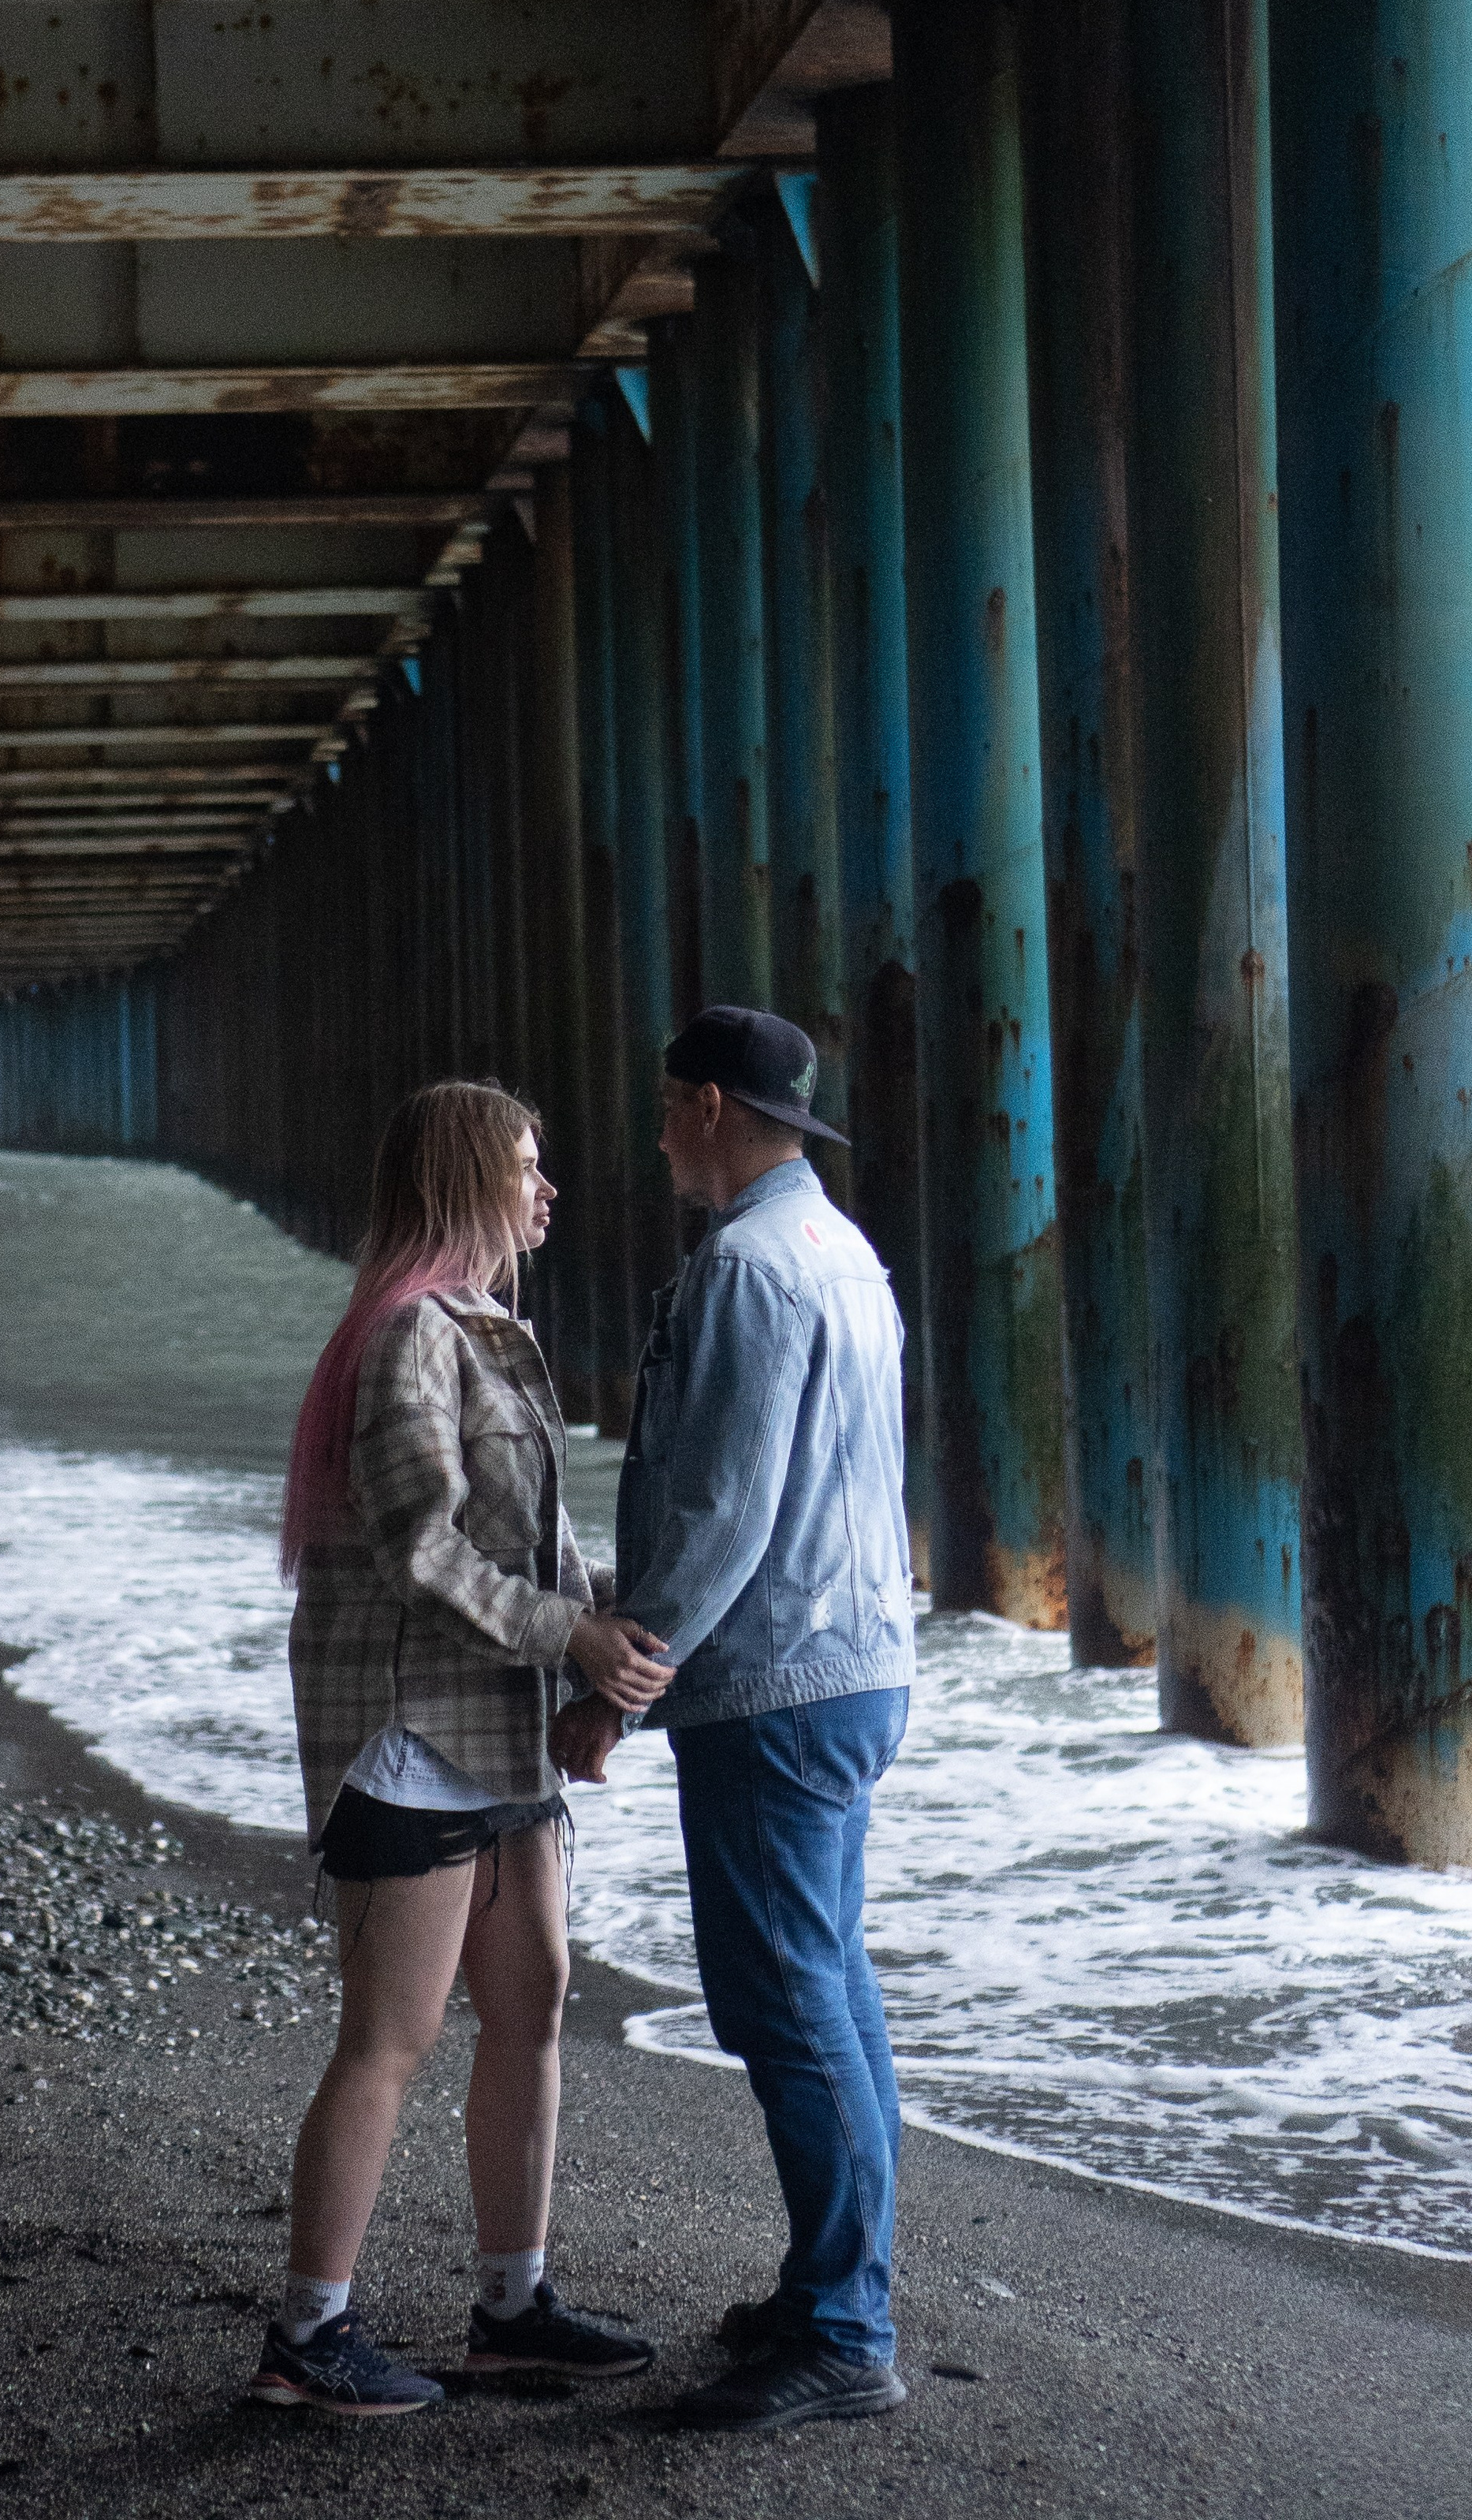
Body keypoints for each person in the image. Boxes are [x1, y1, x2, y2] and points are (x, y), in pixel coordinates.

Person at [250, 1078, 673, 2419]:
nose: (550, 1191)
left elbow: (523, 1543)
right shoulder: (407, 1339)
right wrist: (571, 1634)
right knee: (391, 2034)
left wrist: (610, 1614)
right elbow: (418, 1547)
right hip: (412, 1732)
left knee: (536, 1998)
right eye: (529, 1168)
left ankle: (513, 2309)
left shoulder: (488, 1332)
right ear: (466, 1181)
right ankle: (308, 2336)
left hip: (500, 1738)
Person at [552, 1006, 915, 2434]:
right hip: (858, 1660)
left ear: (709, 1104)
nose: (651, 1134)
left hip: (778, 1681)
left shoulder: (753, 1269)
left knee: (783, 1998)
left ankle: (843, 2326)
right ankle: (842, 2284)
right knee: (829, 1981)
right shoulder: (841, 1251)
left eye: (661, 1107)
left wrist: (618, 1681)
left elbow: (723, 1507)